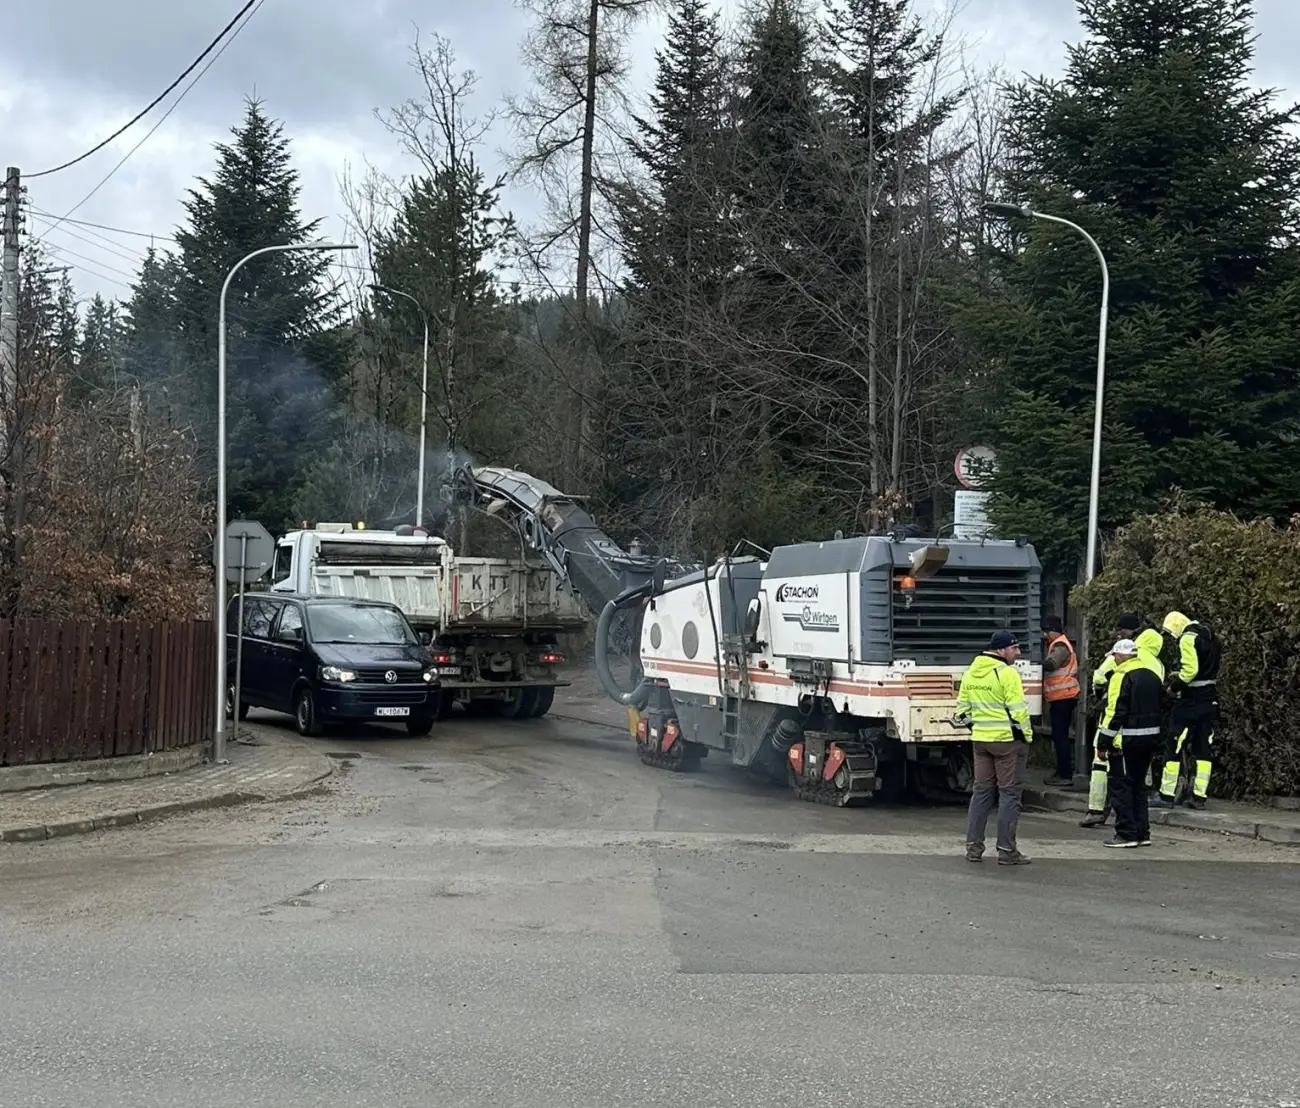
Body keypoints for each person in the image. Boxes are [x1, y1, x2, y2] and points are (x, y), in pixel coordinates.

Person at [956, 630, 1033, 866]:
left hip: (981, 741)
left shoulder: (971, 673)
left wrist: (977, 728)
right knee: (1009, 794)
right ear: (1001, 650)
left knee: (981, 793)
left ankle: (973, 848)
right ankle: (1007, 850)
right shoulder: (1007, 674)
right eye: (1014, 648)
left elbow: (961, 711)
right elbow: (1018, 710)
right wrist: (1026, 736)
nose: (1017, 653)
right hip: (1007, 742)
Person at [1081, 625, 1166, 828]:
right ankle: (1140, 829)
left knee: (1103, 767)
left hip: (1120, 732)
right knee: (1137, 784)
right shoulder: (1157, 665)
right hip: (1147, 731)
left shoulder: (1121, 669)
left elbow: (1102, 682)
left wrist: (1102, 695)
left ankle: (1097, 809)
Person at [1152, 611, 1222, 810]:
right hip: (1209, 699)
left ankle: (1166, 794)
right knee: (1203, 748)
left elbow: (1191, 671)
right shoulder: (1211, 636)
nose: (1172, 637)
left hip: (1191, 701)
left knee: (1174, 744)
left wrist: (1174, 688)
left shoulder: (1187, 638)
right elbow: (1205, 668)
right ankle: (1199, 796)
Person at [1041, 615, 1079, 787]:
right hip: (1062, 697)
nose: (1045, 636)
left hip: (1064, 697)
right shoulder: (1059, 643)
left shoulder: (1061, 646)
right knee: (1059, 736)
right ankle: (1062, 771)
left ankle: (1065, 774)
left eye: (1047, 632)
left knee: (1060, 737)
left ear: (1053, 631)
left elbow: (1052, 664)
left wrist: (1034, 664)